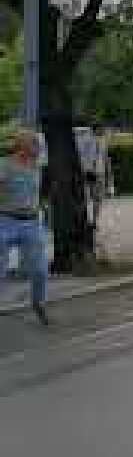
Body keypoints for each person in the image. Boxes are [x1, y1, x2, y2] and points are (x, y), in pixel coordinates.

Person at [0, 127, 48, 325]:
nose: (38, 147)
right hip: (6, 221)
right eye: (34, 144)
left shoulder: (37, 166)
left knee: (39, 269)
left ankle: (38, 303)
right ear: (22, 146)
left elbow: (38, 194)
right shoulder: (4, 165)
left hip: (31, 223)